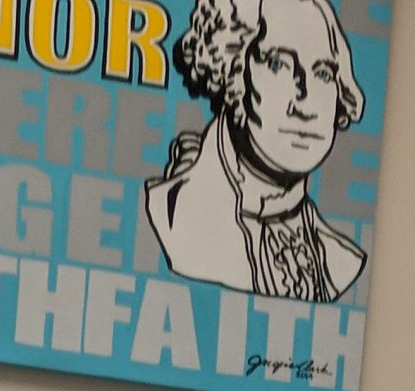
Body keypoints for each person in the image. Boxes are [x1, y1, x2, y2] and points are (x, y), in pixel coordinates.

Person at [145, 0, 368, 305]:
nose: (305, 101)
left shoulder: (340, 261)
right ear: (231, 70)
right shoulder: (168, 217)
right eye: (278, 64)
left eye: (323, 73)